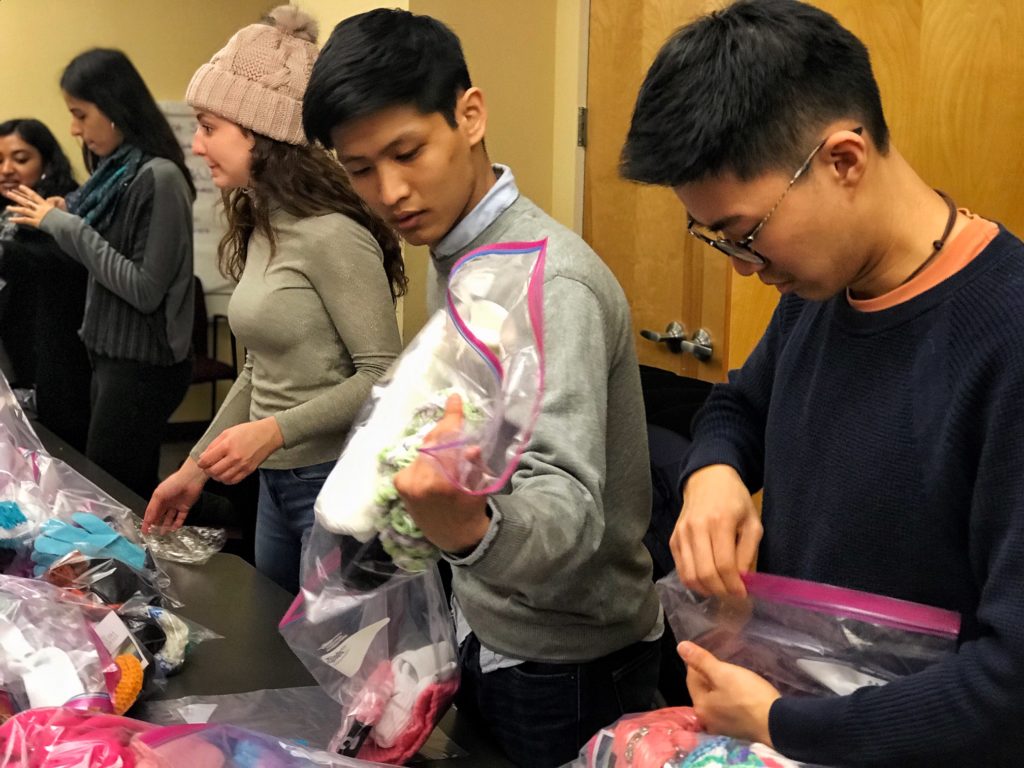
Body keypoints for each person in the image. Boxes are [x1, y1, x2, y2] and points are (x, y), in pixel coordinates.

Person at [619, 0, 1024, 764]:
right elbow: (740, 405)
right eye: (715, 240)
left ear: (843, 159)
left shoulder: (1004, 336)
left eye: (746, 233)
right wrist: (714, 471)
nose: (743, 266)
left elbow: (1009, 686)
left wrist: (778, 723)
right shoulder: (821, 292)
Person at [303, 10, 661, 766]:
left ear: (470, 115)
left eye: (407, 152)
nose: (391, 191)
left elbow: (568, 515)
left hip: (569, 662)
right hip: (489, 628)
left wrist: (462, 526)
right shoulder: (462, 258)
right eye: (361, 168)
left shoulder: (549, 282)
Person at [141, 6, 406, 595]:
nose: (198, 143)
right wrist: (193, 470)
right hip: (276, 483)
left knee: (337, 668)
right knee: (282, 654)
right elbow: (260, 371)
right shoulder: (266, 221)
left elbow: (385, 373)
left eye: (210, 126)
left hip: (334, 482)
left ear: (260, 132)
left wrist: (274, 431)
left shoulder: (331, 232)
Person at [5, 50, 195, 498]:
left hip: (144, 365)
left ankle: (227, 527)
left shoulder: (160, 177)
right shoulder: (114, 174)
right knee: (120, 485)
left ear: (114, 108)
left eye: (80, 115)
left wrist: (65, 225)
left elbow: (144, 289)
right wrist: (67, 210)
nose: (74, 129)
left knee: (114, 492)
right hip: (109, 358)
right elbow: (98, 234)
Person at [0, 118, 91, 449]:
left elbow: (70, 267)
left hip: (57, 358)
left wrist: (7, 253)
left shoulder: (65, 207)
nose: (7, 169)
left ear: (46, 162)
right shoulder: (3, 212)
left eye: (21, 159)